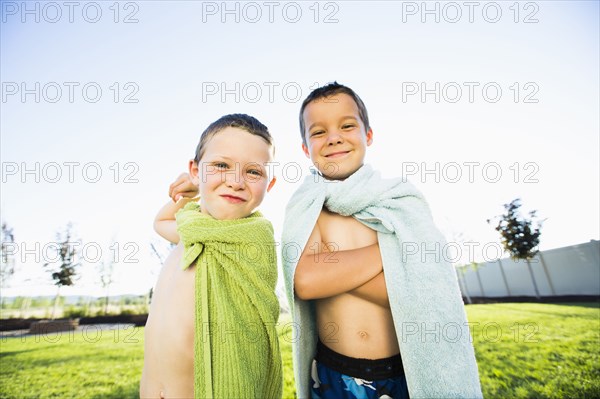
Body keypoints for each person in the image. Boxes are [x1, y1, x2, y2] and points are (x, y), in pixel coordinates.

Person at [281, 82, 483, 399]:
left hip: (403, 371)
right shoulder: (310, 207)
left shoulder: (399, 202)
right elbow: (305, 279)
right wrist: (394, 252)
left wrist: (333, 266)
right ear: (305, 148)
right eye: (318, 132)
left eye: (347, 125)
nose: (333, 137)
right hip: (337, 374)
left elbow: (417, 292)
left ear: (369, 135)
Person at [139, 114, 282, 399]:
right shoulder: (194, 229)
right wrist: (191, 194)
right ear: (195, 170)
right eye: (220, 166)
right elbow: (160, 222)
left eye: (253, 172)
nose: (236, 181)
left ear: (270, 184)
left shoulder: (252, 236)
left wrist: (203, 186)